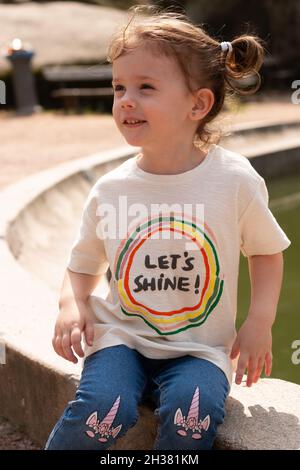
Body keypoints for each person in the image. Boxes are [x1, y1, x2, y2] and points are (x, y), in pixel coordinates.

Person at [44, 5, 291, 450]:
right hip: (123, 339)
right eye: (119, 87)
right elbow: (81, 263)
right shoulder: (111, 189)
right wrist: (72, 303)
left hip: (201, 349)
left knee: (191, 413)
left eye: (145, 87)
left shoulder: (233, 180)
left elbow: (265, 251)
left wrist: (260, 320)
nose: (126, 100)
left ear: (198, 104)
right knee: (105, 406)